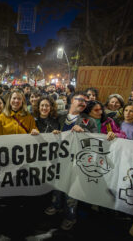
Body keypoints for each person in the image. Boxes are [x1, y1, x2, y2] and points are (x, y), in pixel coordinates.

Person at [44, 91, 97, 231]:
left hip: (76, 161)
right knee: (57, 185)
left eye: (85, 102)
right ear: (72, 100)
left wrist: (83, 131)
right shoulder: (59, 115)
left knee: (72, 191)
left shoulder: (88, 120)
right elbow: (47, 126)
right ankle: (55, 205)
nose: (83, 103)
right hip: (58, 159)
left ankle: (70, 217)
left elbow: (95, 140)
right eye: (80, 100)